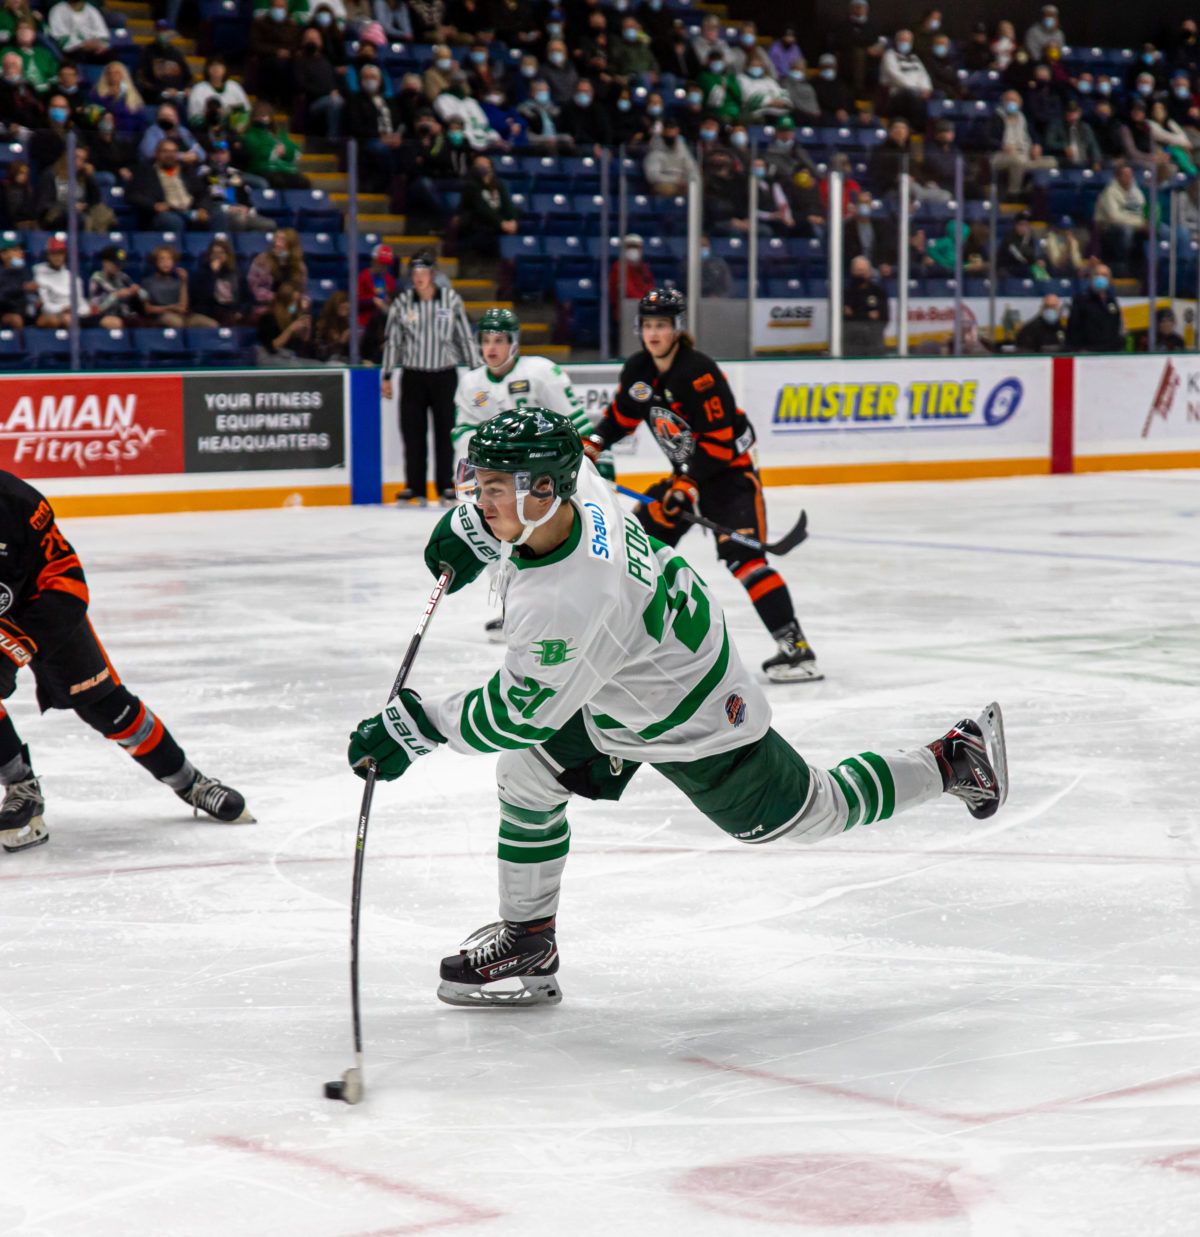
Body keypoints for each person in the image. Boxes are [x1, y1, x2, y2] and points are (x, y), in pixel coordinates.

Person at [345, 408, 1008, 1006]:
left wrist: (414, 725)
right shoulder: (584, 494)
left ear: (543, 491)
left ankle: (953, 759)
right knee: (527, 773)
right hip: (624, 676)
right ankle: (529, 937)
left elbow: (516, 713)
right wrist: (481, 529)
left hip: (687, 711)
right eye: (479, 484)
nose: (479, 499)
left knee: (809, 811)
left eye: (494, 489)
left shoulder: (567, 602)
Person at [0, 471, 251, 852]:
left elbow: (67, 582)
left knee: (104, 705)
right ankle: (22, 788)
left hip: (43, 611)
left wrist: (18, 643)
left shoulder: (18, 502)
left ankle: (189, 782)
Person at [584, 288, 821, 682]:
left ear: (677, 328)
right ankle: (623, 643)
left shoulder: (699, 373)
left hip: (729, 479)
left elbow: (720, 443)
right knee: (635, 548)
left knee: (745, 560)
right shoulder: (639, 370)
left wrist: (689, 485)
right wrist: (595, 442)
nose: (654, 333)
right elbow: (622, 415)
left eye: (662, 325)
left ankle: (795, 648)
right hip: (687, 479)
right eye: (647, 325)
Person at [453, 306, 608, 639]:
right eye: (486, 340)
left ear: (514, 343)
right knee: (497, 538)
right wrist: (468, 480)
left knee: (553, 540)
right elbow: (462, 432)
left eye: (499, 340)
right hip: (497, 482)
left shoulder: (540, 372)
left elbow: (573, 422)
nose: (491, 348)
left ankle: (572, 607)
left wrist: (596, 466)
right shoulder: (470, 384)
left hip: (541, 480)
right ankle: (516, 610)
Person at [380, 250, 479, 505]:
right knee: (413, 434)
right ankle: (415, 487)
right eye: (414, 274)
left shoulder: (450, 300)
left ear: (432, 274)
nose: (418, 278)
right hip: (413, 376)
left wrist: (477, 370)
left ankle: (446, 485)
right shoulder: (402, 303)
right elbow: (393, 342)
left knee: (445, 433)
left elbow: (464, 336)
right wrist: (387, 374)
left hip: (444, 375)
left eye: (423, 273)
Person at [128, 139, 210, 233]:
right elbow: (132, 195)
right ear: (157, 153)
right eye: (165, 151)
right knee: (173, 221)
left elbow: (202, 193)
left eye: (173, 152)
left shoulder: (187, 170)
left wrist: (202, 208)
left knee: (218, 215)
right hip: (164, 213)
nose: (169, 155)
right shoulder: (145, 172)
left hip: (190, 210)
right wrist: (154, 206)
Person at [141, 245, 218, 329]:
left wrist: (184, 282)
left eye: (169, 259)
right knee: (178, 323)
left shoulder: (178, 282)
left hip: (185, 316)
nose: (166, 262)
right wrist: (171, 307)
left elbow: (183, 307)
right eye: (162, 259)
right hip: (162, 316)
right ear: (156, 262)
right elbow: (148, 309)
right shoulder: (146, 283)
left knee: (213, 325)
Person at [1094, 163, 1148, 275]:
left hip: (1135, 226)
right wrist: (1139, 223)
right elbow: (1114, 218)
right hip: (1109, 228)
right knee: (1125, 231)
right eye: (1125, 175)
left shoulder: (1136, 192)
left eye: (1130, 175)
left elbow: (1142, 211)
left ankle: (1144, 268)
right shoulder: (1110, 192)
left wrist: (1144, 224)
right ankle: (1123, 265)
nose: (1129, 178)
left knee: (1156, 230)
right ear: (1118, 177)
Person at [189, 235, 247, 325]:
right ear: (209, 255)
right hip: (209, 312)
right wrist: (213, 274)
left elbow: (247, 298)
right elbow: (201, 299)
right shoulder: (201, 273)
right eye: (214, 253)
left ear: (227, 255)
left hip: (231, 311)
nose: (217, 256)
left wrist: (241, 311)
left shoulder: (236, 273)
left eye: (221, 253)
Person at [1066, 264, 1124, 353]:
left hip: (1110, 353)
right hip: (1088, 352)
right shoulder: (1081, 300)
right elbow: (1073, 328)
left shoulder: (1112, 301)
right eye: (1097, 274)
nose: (1100, 278)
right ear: (1091, 278)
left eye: (1104, 275)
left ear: (1109, 279)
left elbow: (1116, 327)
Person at [32, 235, 87, 328]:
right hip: (53, 314)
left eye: (60, 253)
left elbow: (81, 302)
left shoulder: (73, 277)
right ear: (48, 255)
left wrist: (76, 312)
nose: (57, 257)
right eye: (54, 253)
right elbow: (45, 306)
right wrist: (62, 309)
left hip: (75, 315)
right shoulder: (39, 276)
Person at [256, 282, 316, 365]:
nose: (294, 306)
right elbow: (272, 347)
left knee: (319, 365)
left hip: (290, 357)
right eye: (292, 302)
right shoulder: (268, 318)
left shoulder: (293, 317)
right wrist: (290, 329)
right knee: (296, 366)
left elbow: (303, 344)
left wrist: (306, 328)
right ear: (283, 302)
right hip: (271, 358)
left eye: (296, 302)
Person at [86, 243, 142, 329]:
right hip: (103, 316)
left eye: (120, 264)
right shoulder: (96, 279)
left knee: (140, 322)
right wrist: (115, 296)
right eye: (115, 264)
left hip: (124, 314)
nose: (118, 267)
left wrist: (138, 291)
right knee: (116, 323)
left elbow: (143, 294)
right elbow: (95, 310)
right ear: (105, 262)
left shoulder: (123, 277)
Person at [844, 255, 888, 357]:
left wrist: (856, 313)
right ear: (852, 271)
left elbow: (883, 317)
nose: (861, 274)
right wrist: (867, 315)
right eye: (858, 270)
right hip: (851, 345)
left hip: (874, 345)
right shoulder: (846, 292)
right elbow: (846, 317)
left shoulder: (878, 291)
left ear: (869, 272)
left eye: (864, 271)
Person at [356, 241, 395, 329]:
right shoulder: (363, 276)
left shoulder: (389, 279)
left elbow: (392, 299)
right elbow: (356, 300)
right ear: (374, 261)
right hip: (365, 321)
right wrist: (372, 300)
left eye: (386, 264)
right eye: (381, 263)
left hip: (383, 322)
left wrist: (389, 300)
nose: (383, 266)